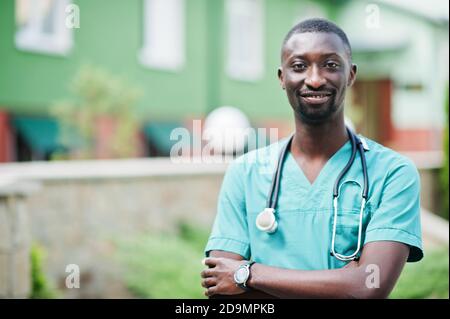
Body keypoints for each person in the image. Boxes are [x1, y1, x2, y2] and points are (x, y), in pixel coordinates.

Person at [200, 18, 423, 299]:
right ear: (282, 78)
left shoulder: (393, 172)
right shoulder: (245, 172)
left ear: (351, 74)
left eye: (330, 65)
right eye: (299, 66)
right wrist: (343, 280)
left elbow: (368, 286)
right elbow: (221, 289)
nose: (315, 79)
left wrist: (249, 274)